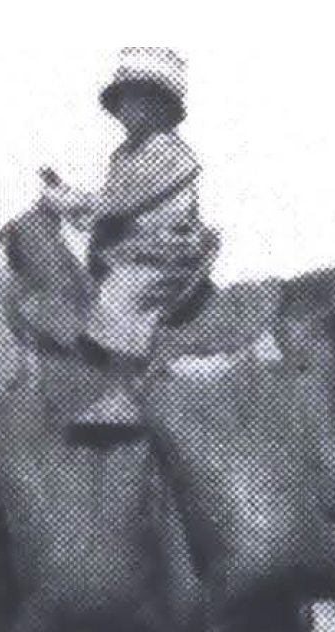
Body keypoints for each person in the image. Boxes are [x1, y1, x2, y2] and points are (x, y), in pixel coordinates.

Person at [47, 48, 216, 429]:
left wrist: (72, 201)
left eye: (136, 97)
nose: (126, 106)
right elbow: (108, 208)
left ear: (160, 105)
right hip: (128, 249)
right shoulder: (123, 154)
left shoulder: (171, 153)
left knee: (121, 293)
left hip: (164, 253)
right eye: (122, 98)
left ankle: (123, 397)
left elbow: (120, 203)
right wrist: (73, 204)